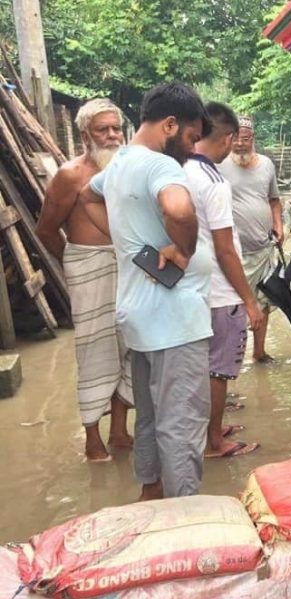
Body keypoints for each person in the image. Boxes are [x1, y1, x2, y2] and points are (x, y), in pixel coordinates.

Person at [79, 82, 213, 500]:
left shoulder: (119, 164)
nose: (191, 149)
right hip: (175, 322)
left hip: (138, 316)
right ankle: (186, 520)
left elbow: (87, 197)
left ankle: (150, 494)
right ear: (170, 124)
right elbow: (178, 208)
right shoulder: (160, 166)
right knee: (183, 424)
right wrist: (183, 249)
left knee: (152, 418)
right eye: (191, 137)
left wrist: (128, 245)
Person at [36, 98, 133, 462]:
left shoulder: (128, 167)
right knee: (93, 351)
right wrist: (74, 263)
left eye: (115, 128)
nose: (111, 136)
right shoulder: (70, 175)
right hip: (86, 267)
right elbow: (46, 230)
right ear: (84, 136)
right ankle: (93, 440)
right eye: (102, 130)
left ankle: (120, 432)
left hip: (127, 265)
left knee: (130, 345)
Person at [184, 102, 264, 458]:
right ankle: (213, 441)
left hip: (191, 288)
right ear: (229, 138)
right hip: (218, 290)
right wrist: (249, 300)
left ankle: (207, 429)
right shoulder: (214, 181)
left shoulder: (179, 169)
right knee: (219, 369)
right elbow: (225, 249)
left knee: (201, 366)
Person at [218, 116, 282, 364]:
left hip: (263, 247)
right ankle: (230, 359)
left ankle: (259, 351)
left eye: (245, 139)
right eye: (235, 139)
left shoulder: (266, 164)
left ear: (252, 139)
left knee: (263, 301)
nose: (240, 144)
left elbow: (274, 200)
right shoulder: (220, 165)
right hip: (232, 252)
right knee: (234, 305)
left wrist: (278, 225)